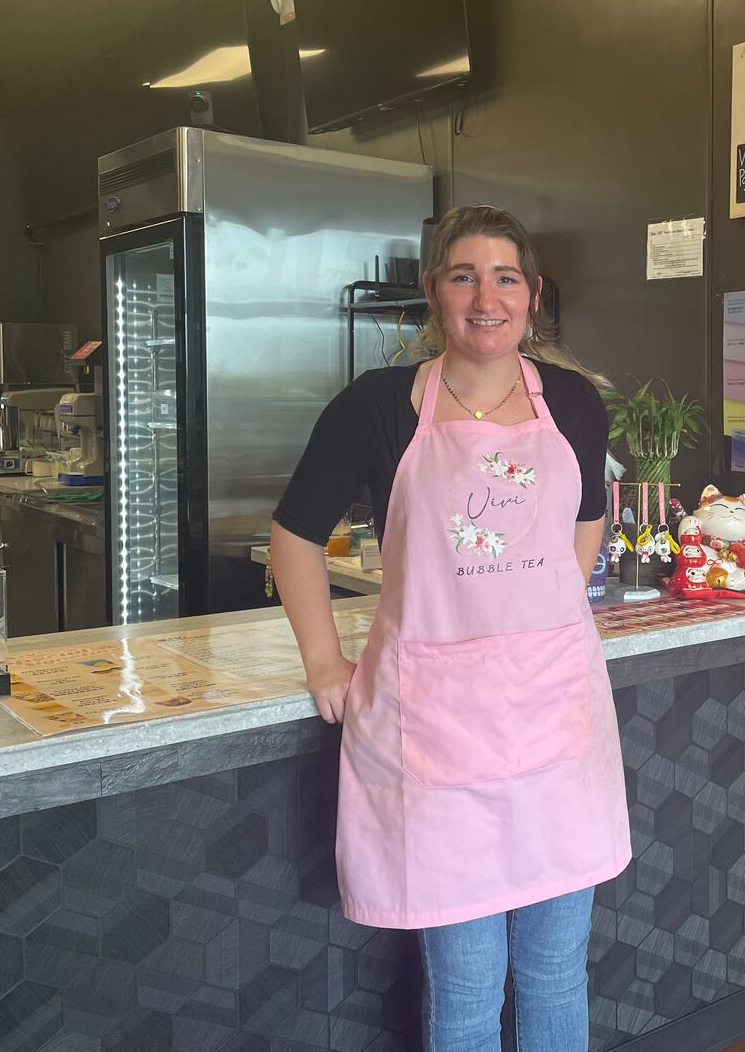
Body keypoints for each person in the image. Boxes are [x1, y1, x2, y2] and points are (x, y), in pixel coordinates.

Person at [270, 205, 632, 1052]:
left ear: (532, 296)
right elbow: (293, 535)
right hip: (439, 738)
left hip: (554, 723)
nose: (485, 297)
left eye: (505, 277)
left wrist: (539, 616)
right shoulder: (377, 408)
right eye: (464, 276)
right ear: (435, 293)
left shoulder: (572, 403)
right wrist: (325, 661)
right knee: (466, 990)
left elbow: (587, 516)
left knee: (554, 972)